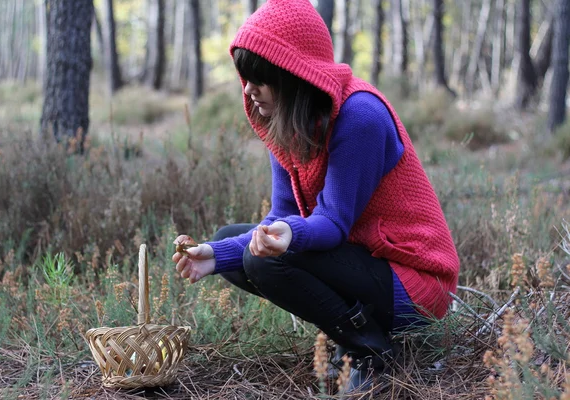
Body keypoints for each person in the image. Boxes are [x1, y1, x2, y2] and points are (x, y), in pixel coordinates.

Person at [172, 0, 459, 394]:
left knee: (265, 260)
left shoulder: (360, 115)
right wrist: (214, 256)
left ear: (294, 74)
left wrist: (289, 235)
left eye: (261, 78)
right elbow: (281, 215)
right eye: (245, 76)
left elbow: (333, 222)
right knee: (229, 242)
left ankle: (369, 349)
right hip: (363, 263)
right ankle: (354, 331)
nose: (249, 90)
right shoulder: (287, 120)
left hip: (415, 281)